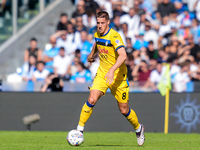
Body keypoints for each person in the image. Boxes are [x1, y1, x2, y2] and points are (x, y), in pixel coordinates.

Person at [75, 11, 145, 146]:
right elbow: (97, 44)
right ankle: (79, 130)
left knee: (124, 110)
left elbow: (123, 55)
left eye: (102, 23)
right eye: (98, 23)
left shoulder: (115, 36)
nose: (100, 26)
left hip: (118, 77)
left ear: (108, 22)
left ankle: (138, 128)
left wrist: (112, 70)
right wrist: (91, 55)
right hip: (102, 74)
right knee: (92, 99)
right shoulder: (96, 34)